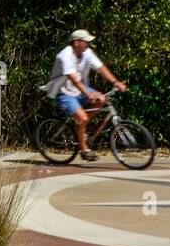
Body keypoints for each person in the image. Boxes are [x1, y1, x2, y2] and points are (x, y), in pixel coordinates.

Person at [41, 29, 127, 161]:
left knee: (102, 99)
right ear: (76, 42)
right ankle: (84, 150)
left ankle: (81, 128)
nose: (88, 44)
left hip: (78, 89)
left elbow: (101, 68)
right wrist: (88, 94)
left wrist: (116, 82)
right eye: (85, 41)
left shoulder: (87, 53)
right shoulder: (64, 55)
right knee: (82, 118)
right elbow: (74, 79)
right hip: (63, 92)